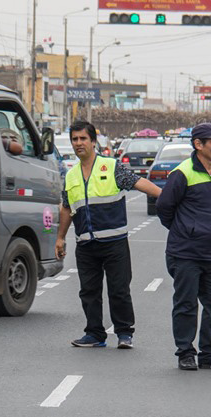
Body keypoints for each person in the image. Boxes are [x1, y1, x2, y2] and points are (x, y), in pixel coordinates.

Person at [54, 120, 162, 349]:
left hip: (114, 243)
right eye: (75, 139)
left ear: (93, 142)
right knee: (89, 292)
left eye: (83, 138)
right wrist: (60, 237)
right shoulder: (71, 176)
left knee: (119, 290)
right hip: (85, 245)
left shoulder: (111, 167)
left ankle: (124, 333)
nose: (78, 143)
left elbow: (139, 183)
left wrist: (168, 197)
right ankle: (94, 334)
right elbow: (66, 207)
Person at [156, 123, 211, 371]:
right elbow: (164, 207)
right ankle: (185, 352)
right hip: (185, 253)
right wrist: (185, 230)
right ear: (198, 145)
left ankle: (209, 353)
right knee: (186, 304)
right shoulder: (182, 173)